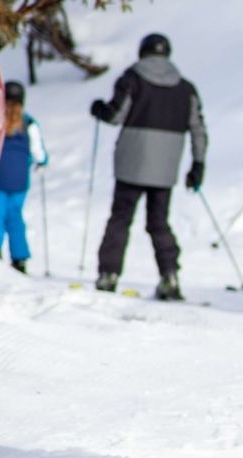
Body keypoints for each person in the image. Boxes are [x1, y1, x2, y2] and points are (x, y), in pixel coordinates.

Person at [89, 33, 207, 301]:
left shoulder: (132, 77)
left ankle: (108, 274)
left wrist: (98, 109)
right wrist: (198, 164)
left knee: (120, 218)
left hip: (132, 161)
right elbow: (198, 128)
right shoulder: (186, 88)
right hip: (165, 167)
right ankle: (170, 276)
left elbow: (115, 115)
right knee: (159, 222)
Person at [0, 81, 49, 273]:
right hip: (19, 180)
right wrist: (42, 163)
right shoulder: (28, 123)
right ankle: (19, 258)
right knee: (15, 217)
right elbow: (38, 151)